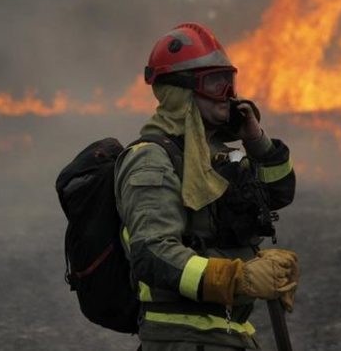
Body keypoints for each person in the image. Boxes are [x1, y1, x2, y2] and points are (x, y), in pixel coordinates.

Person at [114, 22, 298, 350]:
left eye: (230, 82)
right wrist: (238, 278)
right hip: (181, 338)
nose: (228, 95)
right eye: (215, 83)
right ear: (180, 92)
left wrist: (257, 141)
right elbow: (152, 253)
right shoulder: (151, 160)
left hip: (228, 334)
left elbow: (278, 194)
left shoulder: (213, 155)